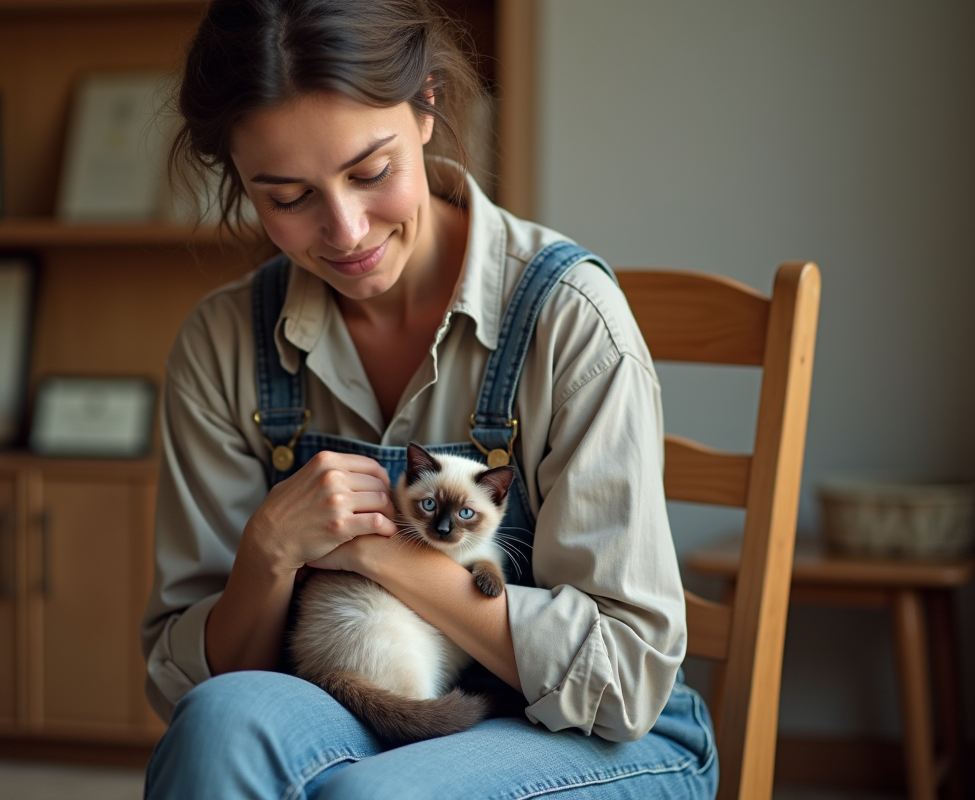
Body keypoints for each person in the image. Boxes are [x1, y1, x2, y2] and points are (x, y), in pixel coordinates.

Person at [140, 0, 717, 797]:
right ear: (239, 179)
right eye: (286, 197)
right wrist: (269, 554)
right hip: (364, 698)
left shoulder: (568, 317)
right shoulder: (224, 344)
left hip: (597, 734)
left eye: (371, 172)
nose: (344, 231)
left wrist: (379, 552)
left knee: (374, 796)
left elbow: (623, 683)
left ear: (426, 107)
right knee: (214, 734)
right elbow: (190, 682)